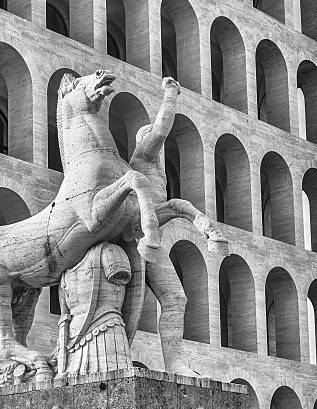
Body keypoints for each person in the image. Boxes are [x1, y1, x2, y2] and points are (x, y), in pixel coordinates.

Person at [129, 77, 228, 376]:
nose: (154, 140)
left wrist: (198, 220)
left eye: (152, 138)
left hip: (151, 241)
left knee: (176, 298)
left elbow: (171, 207)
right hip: (133, 239)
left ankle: (174, 363)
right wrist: (170, 95)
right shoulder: (141, 158)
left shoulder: (158, 172)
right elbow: (160, 129)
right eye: (146, 136)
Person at [56, 242, 133, 376]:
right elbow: (64, 316)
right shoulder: (64, 273)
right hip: (72, 340)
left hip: (105, 328)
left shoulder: (110, 251)